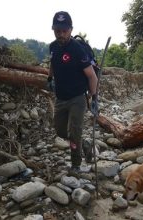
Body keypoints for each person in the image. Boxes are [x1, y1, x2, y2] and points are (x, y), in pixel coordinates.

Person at [47, 11, 98, 172]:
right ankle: (86, 144)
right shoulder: (53, 47)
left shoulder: (77, 49)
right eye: (57, 31)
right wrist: (49, 79)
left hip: (77, 98)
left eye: (64, 31)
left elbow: (92, 76)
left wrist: (94, 97)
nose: (61, 34)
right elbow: (53, 64)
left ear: (70, 29)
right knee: (60, 131)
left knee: (75, 131)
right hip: (60, 98)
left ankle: (76, 164)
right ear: (53, 29)